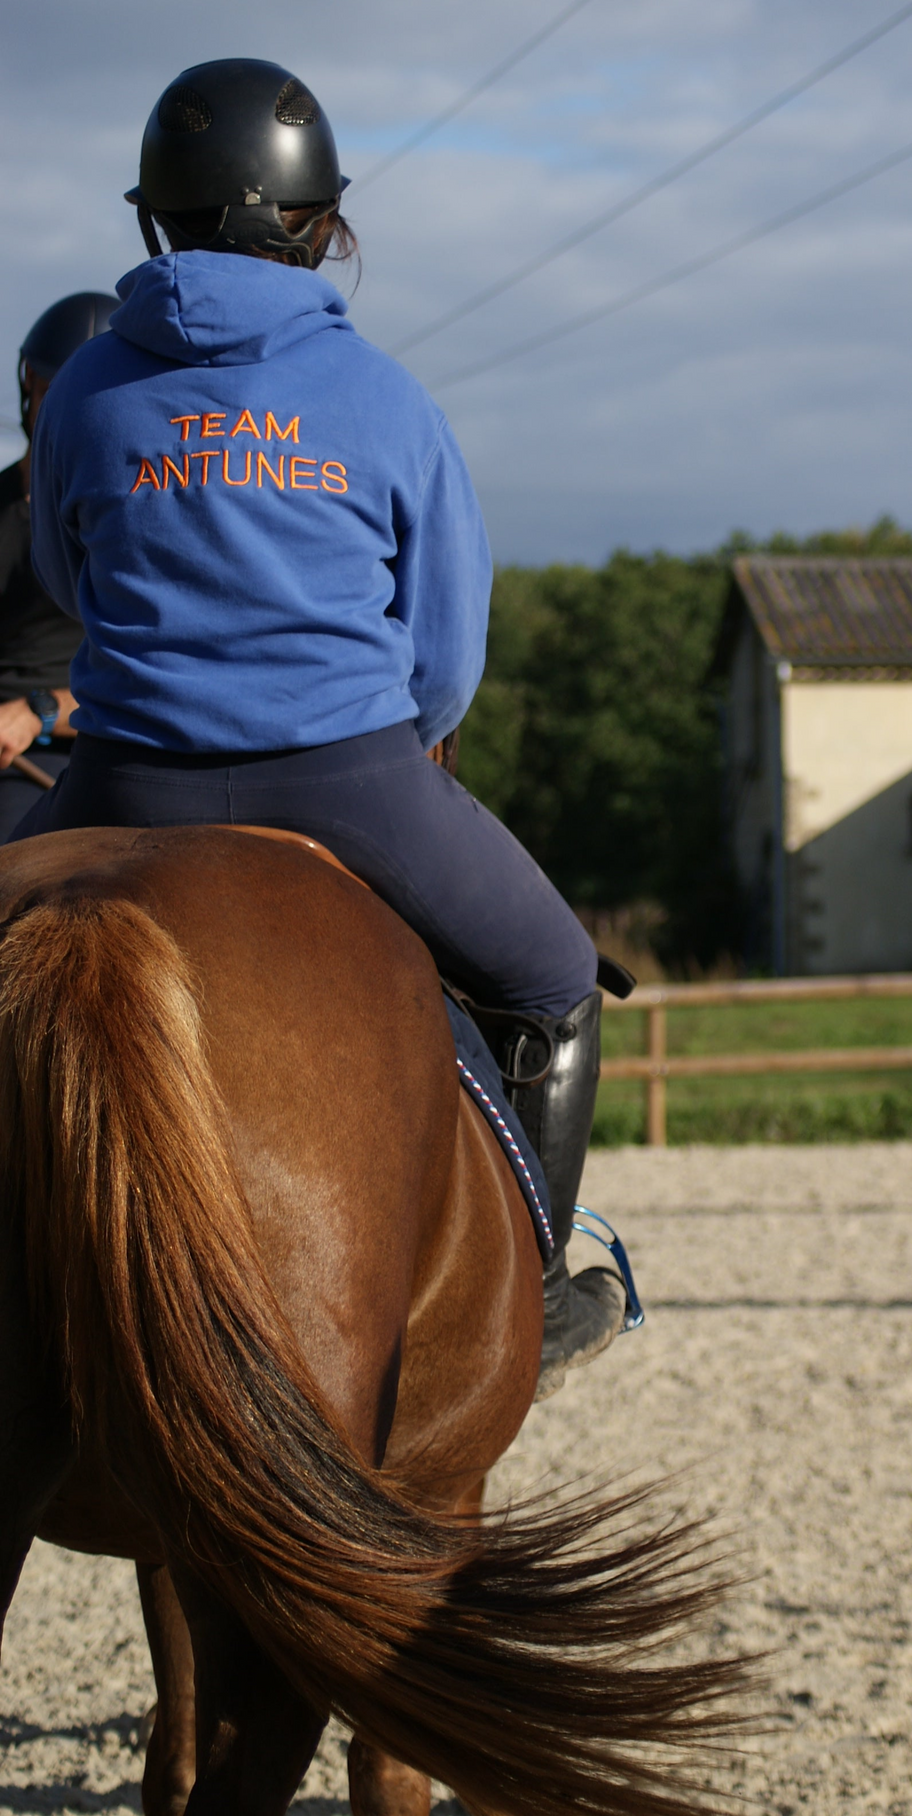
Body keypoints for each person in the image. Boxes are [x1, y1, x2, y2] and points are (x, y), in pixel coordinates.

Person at [18, 58, 626, 1395]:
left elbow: (65, 584)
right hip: (347, 777)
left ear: (155, 218)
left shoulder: (86, 393)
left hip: (120, 778)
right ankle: (531, 1290)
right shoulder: (388, 400)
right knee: (551, 977)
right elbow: (446, 650)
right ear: (317, 221)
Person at [0, 293, 118, 836]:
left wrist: (38, 711)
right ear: (29, 388)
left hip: (73, 743)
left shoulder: (129, 522)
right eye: (51, 395)